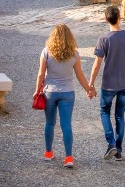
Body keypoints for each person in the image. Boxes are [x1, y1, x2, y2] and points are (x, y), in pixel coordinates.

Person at [34, 23, 93, 168]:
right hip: (67, 92)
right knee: (66, 124)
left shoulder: (46, 52)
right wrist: (89, 89)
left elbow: (41, 74)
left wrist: (36, 91)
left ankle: (48, 152)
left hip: (50, 92)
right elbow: (79, 75)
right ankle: (68, 157)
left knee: (50, 123)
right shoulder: (74, 54)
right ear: (69, 38)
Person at [88, 5, 125, 161]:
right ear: (120, 18)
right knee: (120, 116)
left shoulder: (103, 39)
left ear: (106, 19)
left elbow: (97, 64)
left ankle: (111, 143)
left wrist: (90, 84)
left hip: (108, 84)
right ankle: (119, 152)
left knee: (104, 112)